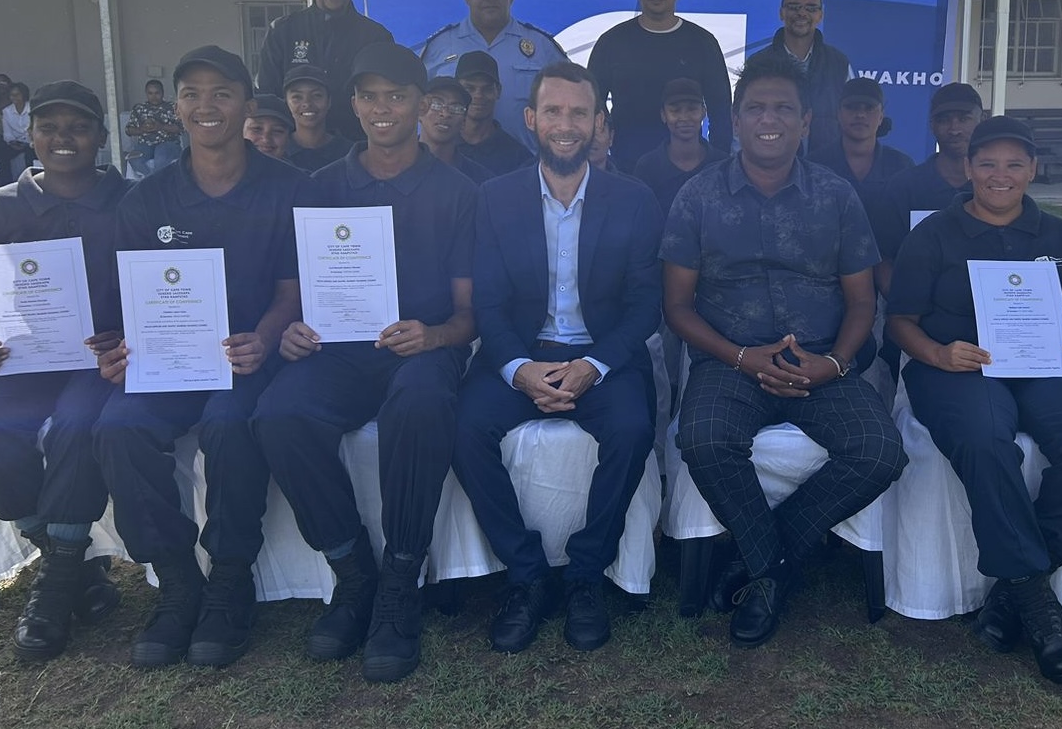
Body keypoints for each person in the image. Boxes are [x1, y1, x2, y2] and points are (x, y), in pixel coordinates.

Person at [662, 53, 905, 648]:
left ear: (805, 123)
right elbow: (678, 308)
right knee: (702, 438)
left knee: (880, 452)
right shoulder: (697, 197)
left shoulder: (837, 196)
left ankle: (763, 561)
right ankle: (775, 569)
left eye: (782, 109)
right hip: (730, 361)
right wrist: (742, 358)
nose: (768, 119)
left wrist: (836, 365)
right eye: (755, 109)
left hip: (823, 360)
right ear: (736, 122)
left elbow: (861, 303)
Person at [253, 43, 478, 682]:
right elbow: (295, 298)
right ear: (352, 105)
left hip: (421, 352)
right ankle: (354, 573)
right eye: (369, 96)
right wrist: (292, 333)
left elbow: (470, 315)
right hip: (339, 352)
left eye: (397, 95)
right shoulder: (318, 189)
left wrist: (434, 337)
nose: (383, 109)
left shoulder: (457, 191)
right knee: (279, 414)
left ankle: (400, 580)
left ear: (421, 104)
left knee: (421, 402)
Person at [92, 45, 314, 669]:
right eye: (191, 93)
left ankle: (230, 579)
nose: (205, 105)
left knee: (229, 424)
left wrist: (266, 337)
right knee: (117, 427)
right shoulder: (146, 200)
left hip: (248, 357)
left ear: (246, 104)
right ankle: (178, 579)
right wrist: (118, 354)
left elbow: (293, 291)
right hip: (168, 361)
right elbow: (125, 307)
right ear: (177, 107)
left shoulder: (290, 190)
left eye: (221, 92)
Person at [885, 115, 1062, 685]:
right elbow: (900, 322)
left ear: (1033, 170)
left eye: (1015, 164)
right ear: (967, 168)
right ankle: (1039, 605)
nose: (1000, 175)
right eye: (987, 163)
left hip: (1045, 367)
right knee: (985, 440)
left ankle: (1018, 587)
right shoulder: (934, 234)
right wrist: (938, 356)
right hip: (960, 368)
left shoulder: (1061, 237)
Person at [452, 62, 661, 655]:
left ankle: (586, 576)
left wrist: (593, 366)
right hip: (522, 352)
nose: (565, 125)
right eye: (553, 111)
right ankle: (525, 577)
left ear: (599, 123)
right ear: (530, 120)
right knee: (465, 429)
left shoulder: (634, 200)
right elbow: (487, 304)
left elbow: (646, 304)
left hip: (601, 357)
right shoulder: (494, 199)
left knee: (631, 428)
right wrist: (519, 369)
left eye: (578, 113)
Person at [0, 81, 127, 662]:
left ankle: (55, 591)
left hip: (103, 365)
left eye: (78, 127)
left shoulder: (134, 201)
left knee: (76, 427)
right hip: (26, 364)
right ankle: (67, 565)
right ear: (32, 136)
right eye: (49, 127)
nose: (63, 138)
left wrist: (125, 336)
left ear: (100, 136)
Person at [869, 81, 984, 387]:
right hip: (916, 323)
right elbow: (882, 258)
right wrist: (908, 305)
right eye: (945, 119)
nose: (954, 128)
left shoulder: (995, 188)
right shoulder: (903, 187)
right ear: (932, 125)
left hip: (987, 324)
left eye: (964, 118)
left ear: (980, 119)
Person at [587, 0, 731, 167]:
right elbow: (593, 104)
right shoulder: (612, 42)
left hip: (689, 169)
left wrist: (720, 167)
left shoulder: (702, 42)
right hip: (627, 165)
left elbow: (721, 111)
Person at [420, 0, 568, 152]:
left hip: (522, 167)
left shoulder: (542, 48)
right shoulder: (439, 46)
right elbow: (416, 107)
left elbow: (568, 106)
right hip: (449, 166)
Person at [258, 0, 394, 141]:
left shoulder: (376, 37)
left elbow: (383, 97)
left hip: (356, 148)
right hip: (294, 151)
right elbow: (268, 97)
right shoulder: (283, 32)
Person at [744, 0, 854, 153]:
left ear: (820, 15)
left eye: (811, 8)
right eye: (794, 7)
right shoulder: (758, 62)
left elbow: (851, 118)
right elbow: (744, 118)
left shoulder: (838, 63)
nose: (802, 13)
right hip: (771, 166)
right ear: (781, 12)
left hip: (828, 168)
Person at [631, 78, 728, 220]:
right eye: (675, 110)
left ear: (703, 112)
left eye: (692, 109)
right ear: (663, 115)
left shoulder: (723, 164)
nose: (684, 117)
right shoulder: (647, 168)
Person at [808, 78, 914, 195]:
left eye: (869, 108)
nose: (860, 114)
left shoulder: (902, 166)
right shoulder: (814, 165)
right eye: (851, 107)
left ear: (881, 116)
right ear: (838, 113)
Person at [452, 50, 533, 176]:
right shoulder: (441, 145)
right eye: (470, 88)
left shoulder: (518, 157)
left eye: (487, 89)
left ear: (498, 91)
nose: (478, 95)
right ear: (456, 89)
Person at [418, 76, 491, 184]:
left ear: (464, 121)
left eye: (456, 108)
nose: (445, 114)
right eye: (437, 104)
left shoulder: (479, 180)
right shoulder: (391, 167)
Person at [282, 64, 353, 173]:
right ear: (286, 102)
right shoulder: (279, 149)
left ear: (329, 101)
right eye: (297, 97)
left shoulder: (350, 153)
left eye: (316, 95)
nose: (307, 103)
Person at [125, 79, 183, 178]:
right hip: (145, 144)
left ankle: (154, 183)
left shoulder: (172, 107)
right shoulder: (139, 109)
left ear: (162, 93)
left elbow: (181, 128)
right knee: (133, 159)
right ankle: (152, 180)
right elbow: (129, 130)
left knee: (160, 159)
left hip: (168, 142)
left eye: (157, 93)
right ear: (146, 93)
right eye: (150, 93)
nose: (154, 97)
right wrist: (142, 129)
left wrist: (161, 126)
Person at [244, 94, 295, 161]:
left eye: (277, 131)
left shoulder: (296, 171)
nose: (266, 139)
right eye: (257, 129)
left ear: (288, 138)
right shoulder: (226, 170)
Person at [1, 81, 33, 176]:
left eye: (17, 94)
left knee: (30, 156)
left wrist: (26, 143)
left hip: (31, 143)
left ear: (24, 95)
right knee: (2, 157)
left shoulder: (33, 108)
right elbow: (7, 133)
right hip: (14, 143)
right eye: (12, 95)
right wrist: (12, 142)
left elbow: (35, 130)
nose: (14, 97)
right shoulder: (6, 111)